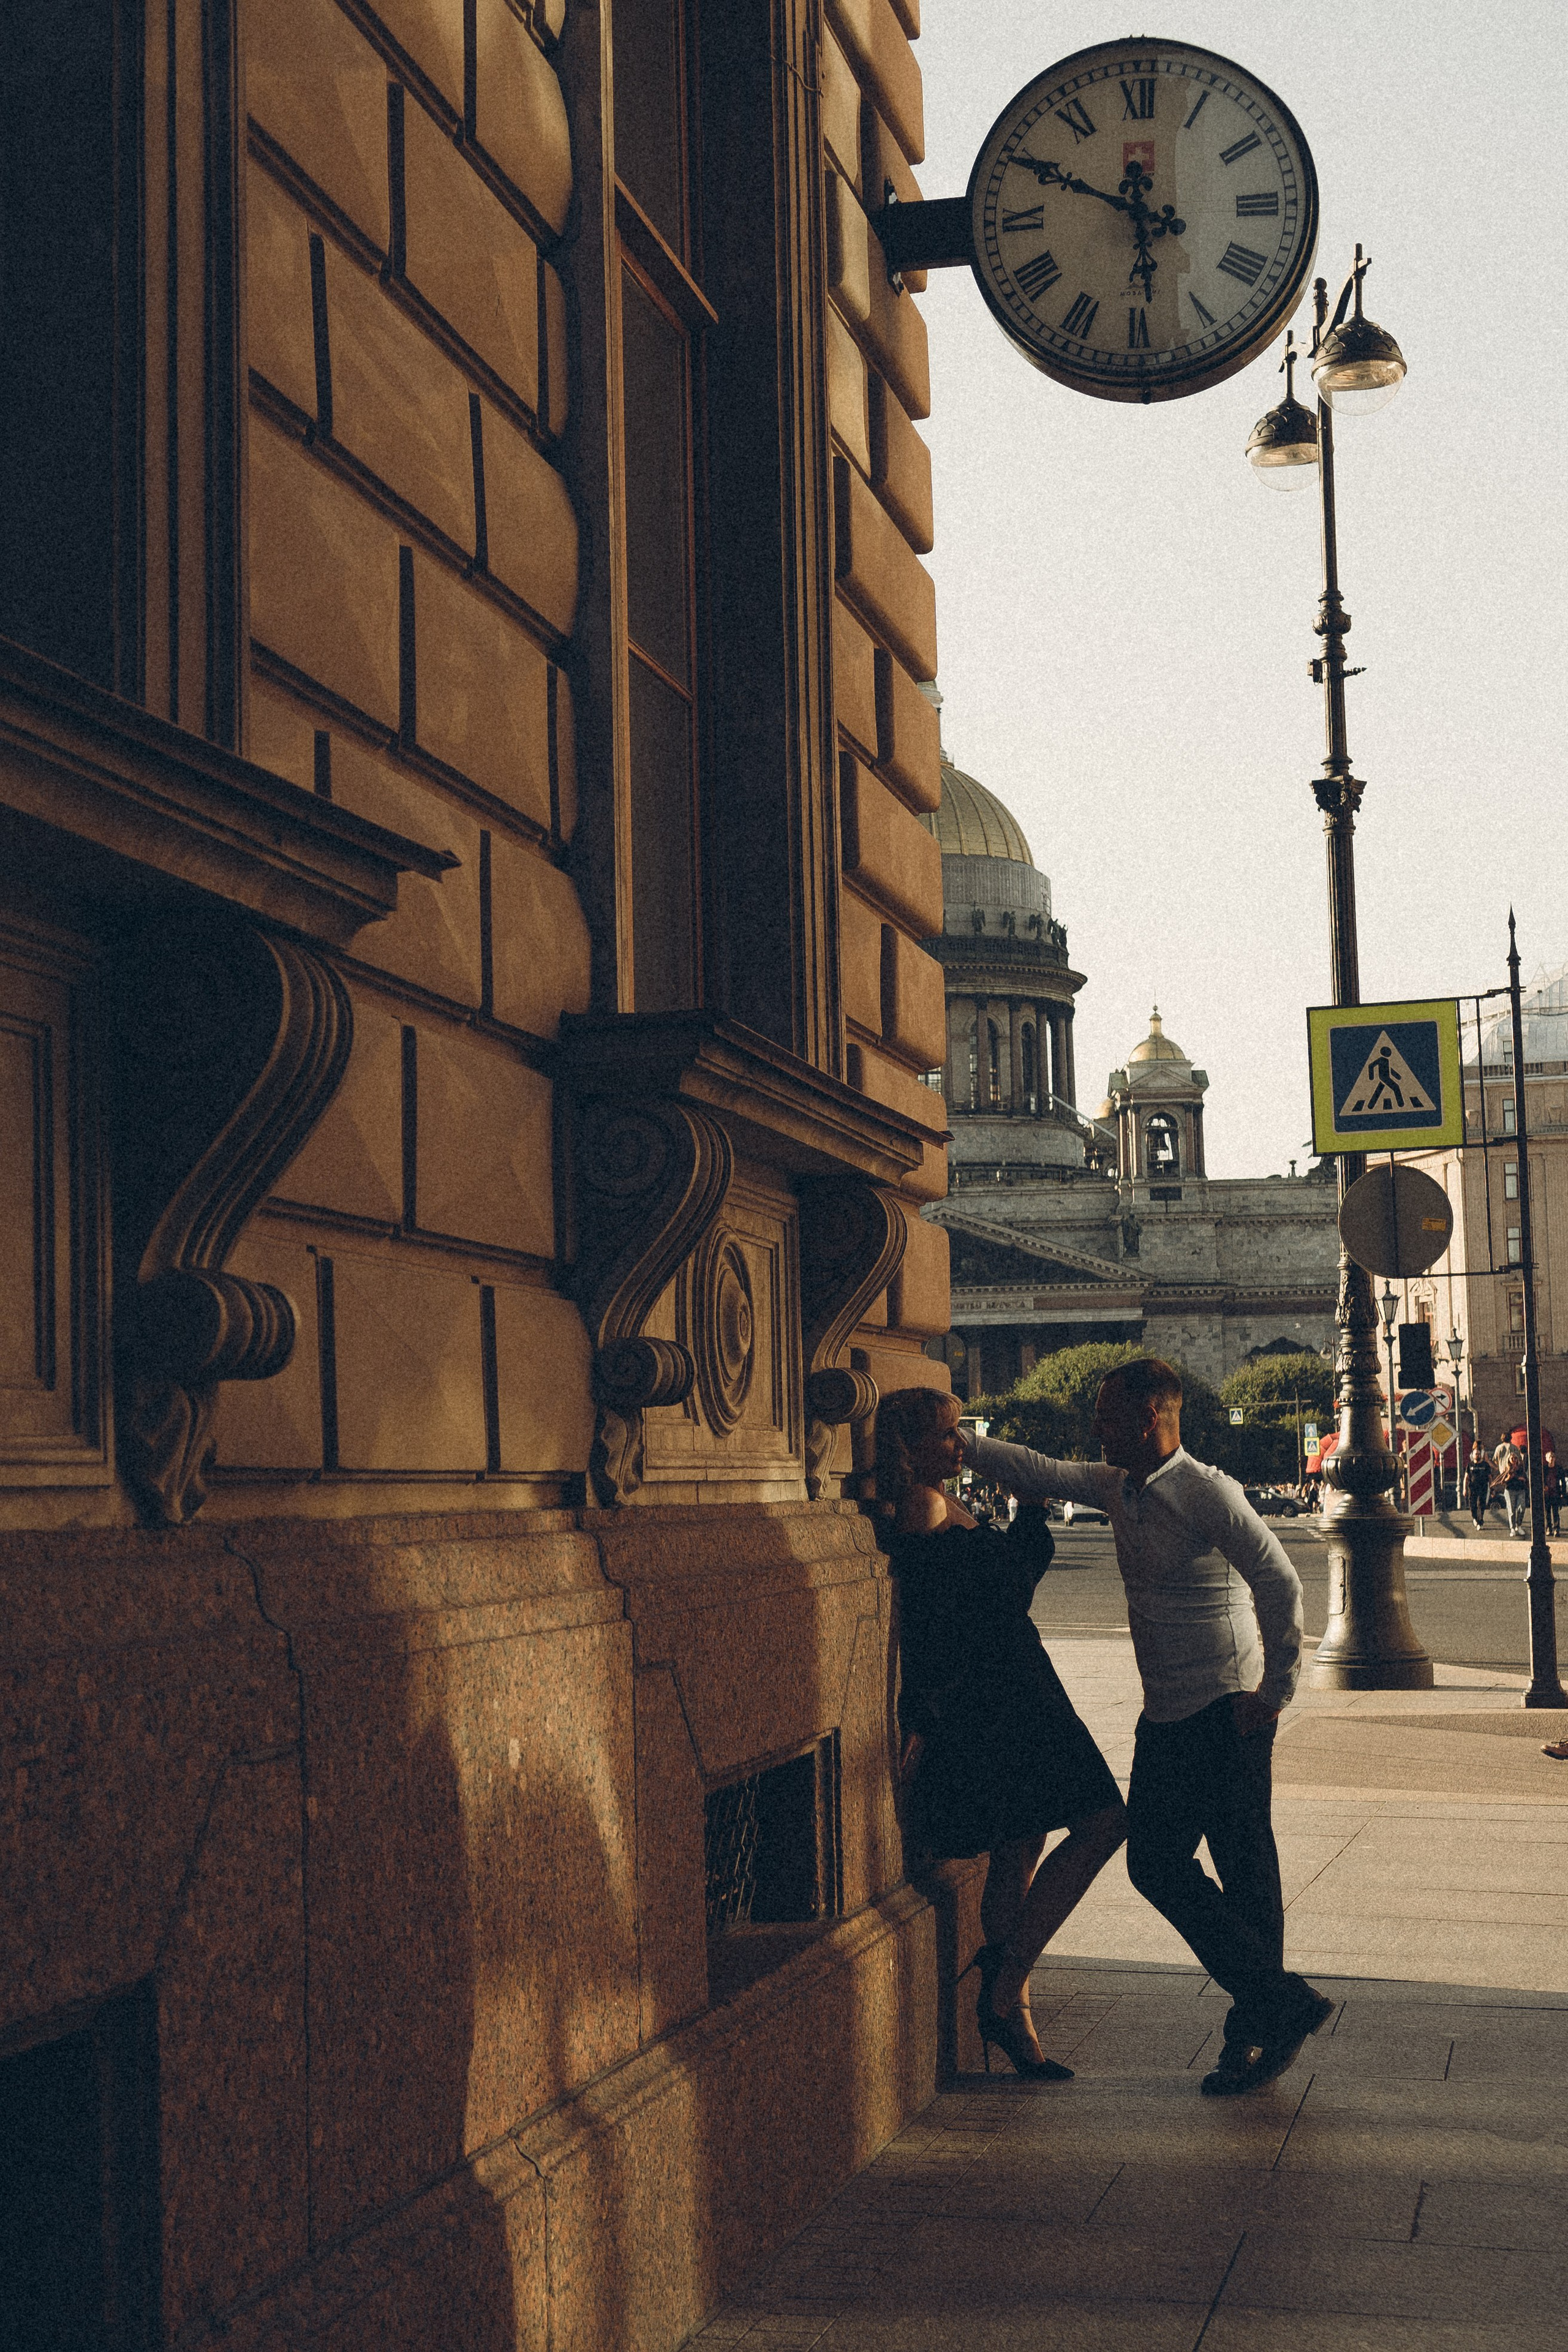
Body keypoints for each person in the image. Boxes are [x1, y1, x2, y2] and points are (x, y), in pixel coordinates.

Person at [960, 1357, 1333, 2097]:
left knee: (1213, 1869)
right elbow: (1037, 1469)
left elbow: (1279, 1579)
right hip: (1164, 1714)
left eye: (1106, 1415)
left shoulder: (1205, 1490)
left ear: (1151, 1417)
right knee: (1194, 1868)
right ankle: (1270, 2010)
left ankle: (1262, 2019)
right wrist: (958, 1439)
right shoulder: (1115, 1486)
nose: (1095, 1427)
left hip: (1226, 1711)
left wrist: (1275, 1691)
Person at [873, 1387, 1127, 2080]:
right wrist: (924, 1714)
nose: (962, 1446)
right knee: (1104, 1820)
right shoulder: (924, 1506)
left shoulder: (944, 1502)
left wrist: (1030, 1512)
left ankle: (1010, 2011)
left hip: (1013, 1681)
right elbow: (949, 1614)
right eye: (948, 1435)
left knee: (1022, 1843)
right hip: (999, 1693)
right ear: (911, 1446)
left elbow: (997, 1587)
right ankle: (1006, 1981)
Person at [1495, 1433, 1526, 1536]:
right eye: (1513, 1459)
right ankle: (1513, 1528)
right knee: (1512, 1509)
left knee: (1521, 1508)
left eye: (1515, 1459)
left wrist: (1499, 1467)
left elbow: (1495, 1459)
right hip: (1509, 1487)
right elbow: (1503, 1481)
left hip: (1519, 1488)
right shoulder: (1514, 1448)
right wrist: (1508, 1476)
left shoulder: (1499, 1448)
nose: (1515, 1460)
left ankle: (1519, 1525)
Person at [1464, 1440, 1494, 1531]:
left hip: (1483, 1487)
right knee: (1472, 1505)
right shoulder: (1470, 1465)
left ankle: (1480, 1522)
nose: (1477, 1455)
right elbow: (1466, 1478)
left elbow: (1490, 1478)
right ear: (1473, 1455)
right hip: (1473, 1488)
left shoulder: (1485, 1465)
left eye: (1478, 1454)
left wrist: (1492, 1488)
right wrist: (1464, 1489)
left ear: (1481, 1455)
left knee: (1481, 1505)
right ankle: (1475, 1518)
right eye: (1476, 1454)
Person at [1544, 1449, 1561, 1540]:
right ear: (1547, 1459)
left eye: (1553, 1457)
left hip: (1555, 1493)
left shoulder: (1558, 1469)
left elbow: (1562, 1481)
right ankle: (1549, 1528)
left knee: (1555, 1512)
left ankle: (1556, 1529)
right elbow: (1541, 1480)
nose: (1551, 1459)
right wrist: (1544, 1486)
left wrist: (1563, 1493)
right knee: (1547, 1513)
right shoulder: (1544, 1469)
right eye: (1550, 1457)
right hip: (1547, 1494)